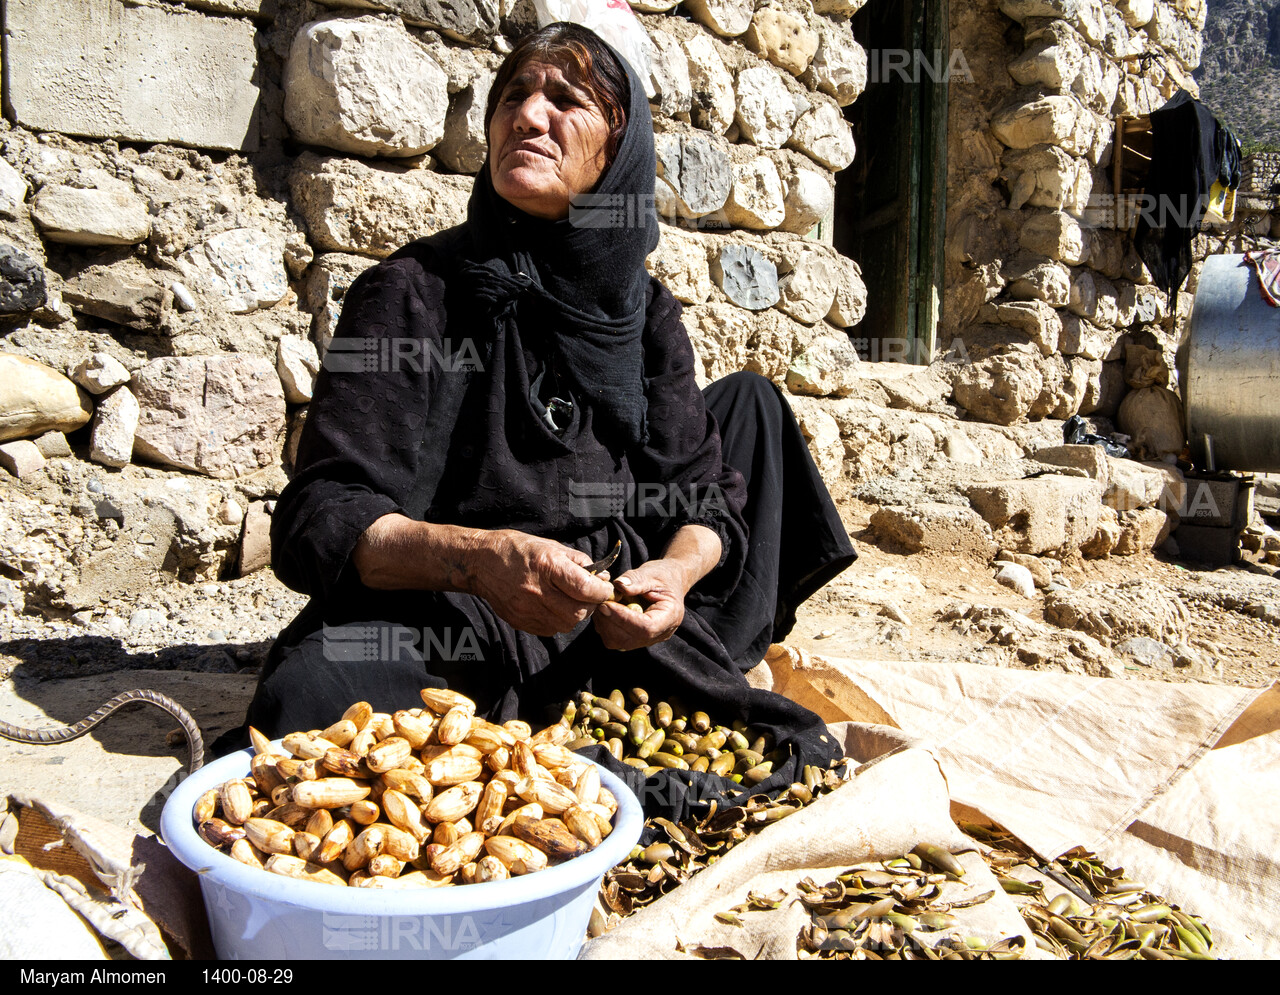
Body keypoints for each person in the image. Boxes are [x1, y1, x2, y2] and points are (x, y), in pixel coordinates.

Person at [214, 23, 856, 816]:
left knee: (752, 410)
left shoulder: (643, 310)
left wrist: (675, 575)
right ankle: (559, 705)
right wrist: (481, 562)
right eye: (512, 97)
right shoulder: (412, 292)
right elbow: (319, 520)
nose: (528, 116)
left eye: (566, 99)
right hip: (457, 604)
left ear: (617, 150)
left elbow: (702, 496)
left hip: (603, 602)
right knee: (314, 694)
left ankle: (648, 663)